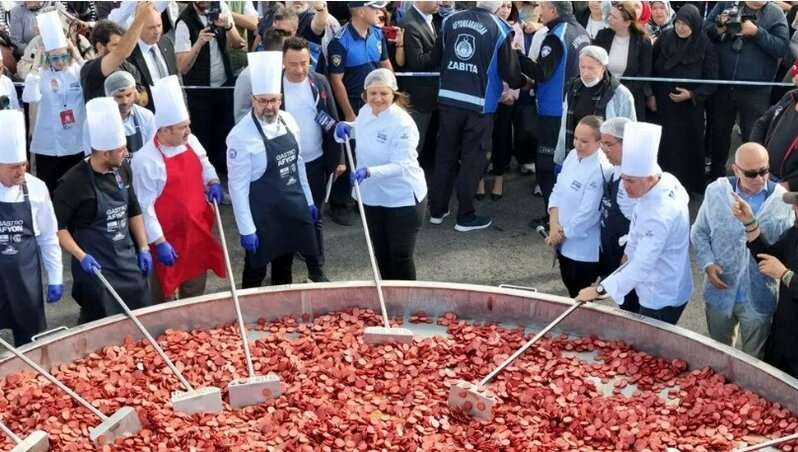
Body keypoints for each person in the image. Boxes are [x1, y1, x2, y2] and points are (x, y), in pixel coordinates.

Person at [576, 122, 692, 325]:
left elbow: (642, 265)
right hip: (659, 278)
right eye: (624, 179)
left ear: (649, 179)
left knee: (649, 347)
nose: (625, 187)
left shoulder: (659, 215)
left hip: (661, 293)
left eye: (631, 181)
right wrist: (628, 252)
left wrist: (598, 290)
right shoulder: (665, 179)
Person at [428, 0, 527, 232]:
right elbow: (510, 73)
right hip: (480, 105)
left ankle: (437, 210)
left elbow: (435, 57)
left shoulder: (450, 20)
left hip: (449, 99)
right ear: (495, 6)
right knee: (472, 161)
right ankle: (465, 215)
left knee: (444, 156)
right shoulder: (501, 27)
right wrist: (524, 82)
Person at [54, 97, 152, 323]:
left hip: (126, 262)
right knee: (101, 328)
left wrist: (144, 248)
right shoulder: (72, 183)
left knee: (141, 319)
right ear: (104, 153)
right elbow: (57, 227)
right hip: (96, 269)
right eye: (120, 149)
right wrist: (81, 256)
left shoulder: (122, 168)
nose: (126, 152)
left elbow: (133, 209)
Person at [226, 51, 318, 288]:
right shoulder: (240, 136)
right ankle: (248, 316)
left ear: (280, 99)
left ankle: (282, 317)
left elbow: (298, 166)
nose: (269, 107)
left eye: (274, 100)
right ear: (252, 101)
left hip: (289, 207)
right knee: (255, 271)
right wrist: (246, 229)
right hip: (263, 215)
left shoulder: (289, 121)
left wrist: (308, 200)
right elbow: (237, 188)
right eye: (263, 101)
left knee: (284, 265)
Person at [692, 143, 792, 359]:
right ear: (736, 170)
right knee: (718, 356)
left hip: (759, 297)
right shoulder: (716, 192)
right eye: (751, 173)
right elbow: (699, 231)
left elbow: (789, 250)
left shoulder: (781, 200)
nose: (759, 178)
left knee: (754, 364)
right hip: (720, 292)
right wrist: (707, 264)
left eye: (764, 171)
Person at [131, 75, 226, 303]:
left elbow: (204, 163)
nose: (188, 131)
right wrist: (160, 242)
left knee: (195, 290)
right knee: (163, 293)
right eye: (182, 127)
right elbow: (145, 207)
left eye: (188, 125)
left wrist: (213, 181)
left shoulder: (190, 141)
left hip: (196, 231)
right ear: (165, 130)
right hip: (167, 237)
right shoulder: (146, 160)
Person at [334, 69, 427, 280]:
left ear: (393, 94)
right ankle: (387, 296)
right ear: (365, 94)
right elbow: (363, 128)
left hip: (402, 198)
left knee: (400, 256)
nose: (377, 99)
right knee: (381, 253)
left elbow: (402, 164)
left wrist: (369, 172)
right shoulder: (366, 110)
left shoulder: (403, 124)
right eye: (372, 93)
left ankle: (406, 306)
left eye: (383, 94)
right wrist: (348, 127)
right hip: (373, 196)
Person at [517, 1, 590, 226]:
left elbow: (542, 71)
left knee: (546, 166)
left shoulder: (556, 35)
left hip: (554, 109)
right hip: (573, 107)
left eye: (543, 7)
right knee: (567, 164)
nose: (539, 12)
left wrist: (518, 56)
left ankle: (553, 219)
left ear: (553, 11)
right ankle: (565, 215)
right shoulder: (581, 30)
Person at [281, 37, 343, 282]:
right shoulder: (274, 85)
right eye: (293, 64)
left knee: (314, 215)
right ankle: (282, 272)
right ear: (283, 63)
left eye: (304, 63)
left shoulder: (319, 81)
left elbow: (332, 120)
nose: (299, 70)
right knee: (285, 216)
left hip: (315, 160)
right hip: (283, 164)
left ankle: (316, 269)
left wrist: (337, 159)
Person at [704, 1, 790, 181]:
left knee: (753, 135)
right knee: (718, 132)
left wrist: (756, 32)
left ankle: (750, 179)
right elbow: (705, 30)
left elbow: (782, 47)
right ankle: (716, 175)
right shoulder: (726, 4)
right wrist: (721, 27)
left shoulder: (775, 14)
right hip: (723, 85)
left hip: (756, 90)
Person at [326, 1, 393, 227]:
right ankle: (339, 202)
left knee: (374, 149)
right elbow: (336, 81)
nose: (380, 12)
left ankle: (362, 197)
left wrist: (392, 94)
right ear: (361, 11)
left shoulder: (377, 33)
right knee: (350, 152)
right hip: (354, 103)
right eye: (375, 8)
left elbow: (385, 65)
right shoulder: (339, 41)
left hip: (376, 102)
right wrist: (349, 114)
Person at [0, 110, 62, 346]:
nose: (21, 171)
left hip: (25, 280)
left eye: (24, 164)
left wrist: (56, 276)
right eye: (13, 166)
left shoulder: (36, 188)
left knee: (29, 344)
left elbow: (48, 235)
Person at [650, 4, 718, 195]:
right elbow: (649, 69)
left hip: (689, 111)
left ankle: (687, 188)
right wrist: (651, 95)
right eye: (678, 22)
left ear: (695, 24)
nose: (680, 27)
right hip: (662, 107)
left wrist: (692, 95)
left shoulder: (704, 44)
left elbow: (712, 80)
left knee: (687, 148)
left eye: (686, 24)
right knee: (664, 146)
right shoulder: (664, 39)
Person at [732, 187, 798, 378]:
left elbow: (779, 270)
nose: (793, 208)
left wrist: (785, 275)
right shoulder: (794, 232)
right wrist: (750, 222)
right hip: (783, 336)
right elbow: (768, 259)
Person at [175, 1, 246, 174]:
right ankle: (205, 182)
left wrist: (228, 26)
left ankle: (224, 179)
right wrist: (198, 42)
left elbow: (239, 44)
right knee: (202, 140)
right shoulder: (184, 22)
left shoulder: (220, 7)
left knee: (224, 136)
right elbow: (182, 67)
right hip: (200, 93)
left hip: (223, 87)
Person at [21, 10, 86, 194]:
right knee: (49, 192)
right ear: (47, 57)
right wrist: (35, 65)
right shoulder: (40, 75)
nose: (60, 62)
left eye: (64, 56)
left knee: (75, 192)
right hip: (49, 146)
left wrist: (76, 53)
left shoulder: (76, 70)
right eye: (55, 58)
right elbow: (29, 97)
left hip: (75, 143)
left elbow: (91, 78)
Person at [546, 116, 610, 297]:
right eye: (575, 138)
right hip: (561, 239)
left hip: (582, 248)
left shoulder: (600, 170)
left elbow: (588, 214)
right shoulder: (573, 156)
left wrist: (560, 234)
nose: (577, 145)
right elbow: (557, 189)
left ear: (599, 142)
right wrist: (553, 225)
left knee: (579, 294)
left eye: (584, 141)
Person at [554, 45, 636, 168]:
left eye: (591, 68)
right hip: (574, 155)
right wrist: (560, 159)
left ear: (603, 68)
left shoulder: (620, 94)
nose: (585, 73)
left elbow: (630, 131)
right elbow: (564, 126)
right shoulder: (573, 87)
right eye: (582, 67)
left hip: (605, 161)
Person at [597, 117, 640, 313]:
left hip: (627, 258)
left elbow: (640, 225)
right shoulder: (614, 168)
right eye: (602, 144)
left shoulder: (635, 180)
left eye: (608, 144)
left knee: (631, 307)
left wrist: (627, 256)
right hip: (612, 249)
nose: (603, 150)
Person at [398, 1, 441, 171]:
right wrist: (441, 46)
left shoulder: (433, 19)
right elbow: (417, 62)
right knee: (414, 145)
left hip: (433, 95)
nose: (440, 2)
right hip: (419, 99)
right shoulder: (410, 24)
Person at [593, 1, 652, 121]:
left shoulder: (642, 41)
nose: (609, 19)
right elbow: (595, 63)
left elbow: (644, 73)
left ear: (626, 22)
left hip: (631, 95)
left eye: (614, 17)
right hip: (603, 93)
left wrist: (622, 91)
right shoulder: (602, 36)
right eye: (609, 15)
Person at [79, 5, 153, 102]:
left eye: (121, 44)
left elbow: (144, 99)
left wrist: (137, 97)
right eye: (115, 45)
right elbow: (122, 52)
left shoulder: (128, 67)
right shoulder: (90, 69)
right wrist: (141, 17)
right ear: (100, 46)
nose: (120, 48)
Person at [82, 71, 156, 159]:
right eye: (119, 97)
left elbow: (152, 151)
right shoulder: (93, 123)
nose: (125, 101)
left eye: (128, 95)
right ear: (108, 96)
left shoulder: (146, 116)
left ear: (135, 92)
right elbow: (91, 158)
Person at [750, 72, 798, 191]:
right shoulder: (790, 96)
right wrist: (758, 160)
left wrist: (787, 185)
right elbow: (762, 123)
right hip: (764, 176)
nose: (795, 75)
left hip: (788, 192)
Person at [127, 6, 179, 112]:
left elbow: (176, 80)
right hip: (148, 115)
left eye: (159, 25)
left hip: (173, 111)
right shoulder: (129, 54)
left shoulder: (167, 43)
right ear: (139, 27)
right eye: (151, 27)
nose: (157, 31)